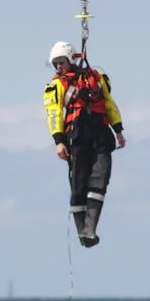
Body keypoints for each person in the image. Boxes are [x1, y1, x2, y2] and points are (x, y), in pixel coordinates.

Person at [43, 41, 126, 248]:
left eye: (61, 62)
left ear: (71, 59)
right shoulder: (57, 85)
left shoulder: (96, 78)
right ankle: (83, 232)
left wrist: (118, 130)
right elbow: (53, 113)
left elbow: (109, 103)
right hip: (77, 135)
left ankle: (90, 229)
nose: (59, 67)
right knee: (78, 184)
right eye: (55, 64)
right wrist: (59, 141)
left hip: (100, 133)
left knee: (101, 177)